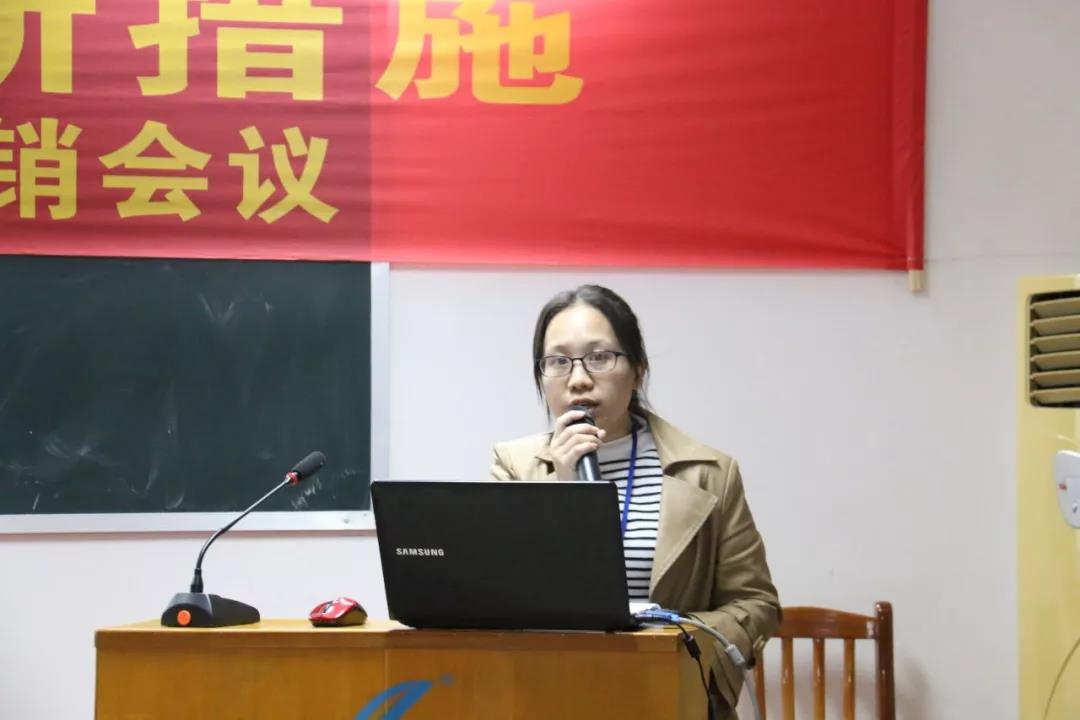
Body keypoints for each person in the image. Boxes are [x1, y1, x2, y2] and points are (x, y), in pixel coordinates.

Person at [490, 284, 780, 719]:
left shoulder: (709, 472)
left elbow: (755, 604)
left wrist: (677, 645)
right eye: (558, 361)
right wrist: (562, 491)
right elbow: (500, 598)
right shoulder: (514, 467)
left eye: (599, 357)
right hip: (552, 696)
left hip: (670, 697)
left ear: (638, 370)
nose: (578, 379)